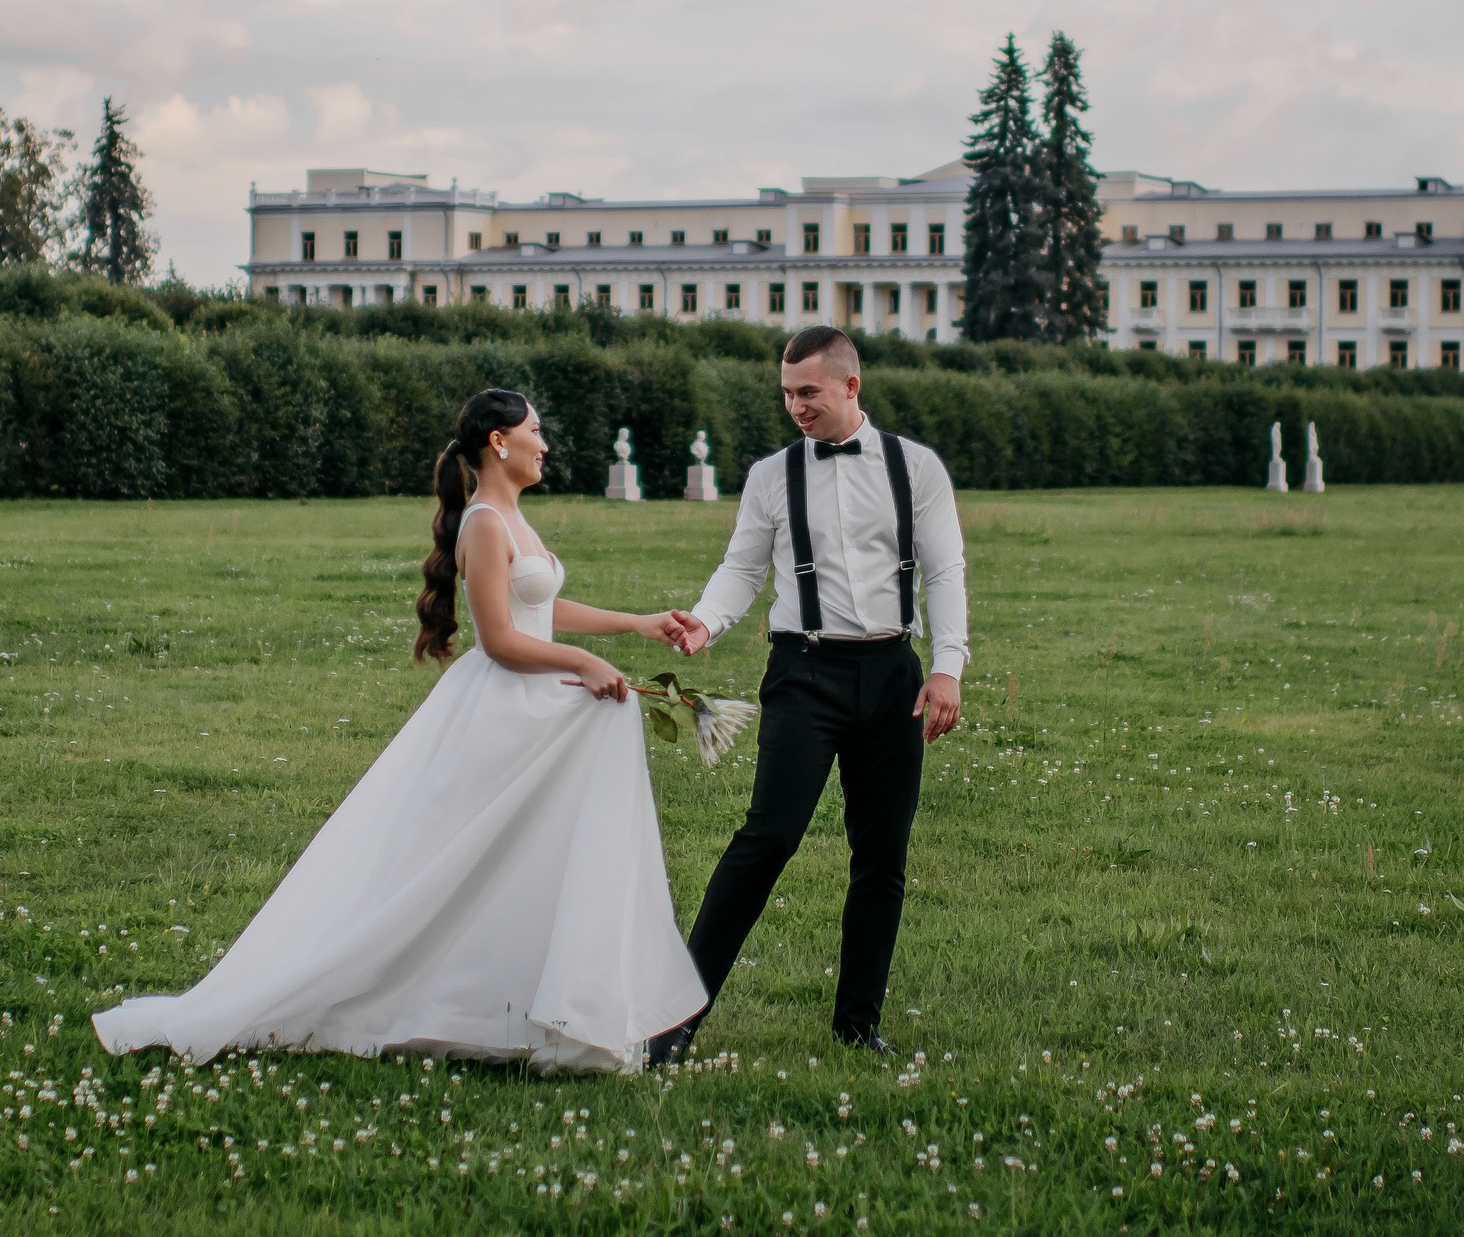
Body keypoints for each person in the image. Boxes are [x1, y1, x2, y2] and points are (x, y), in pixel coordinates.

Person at [93, 387, 708, 1072]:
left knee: (530, 847)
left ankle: (543, 1002)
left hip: (533, 699)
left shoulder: (513, 517)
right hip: (503, 705)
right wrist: (584, 661)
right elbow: (500, 637)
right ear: (499, 442)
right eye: (536, 431)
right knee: (455, 862)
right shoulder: (483, 520)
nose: (546, 443)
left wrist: (636, 623)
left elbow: (541, 604)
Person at [646, 326, 967, 1062]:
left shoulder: (915, 468)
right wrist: (707, 619)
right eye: (787, 392)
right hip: (803, 674)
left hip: (892, 676)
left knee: (882, 853)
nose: (795, 405)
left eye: (808, 392)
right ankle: (676, 1023)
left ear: (851, 386)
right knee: (767, 838)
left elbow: (946, 572)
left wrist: (947, 665)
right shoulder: (770, 475)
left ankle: (859, 1025)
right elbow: (741, 568)